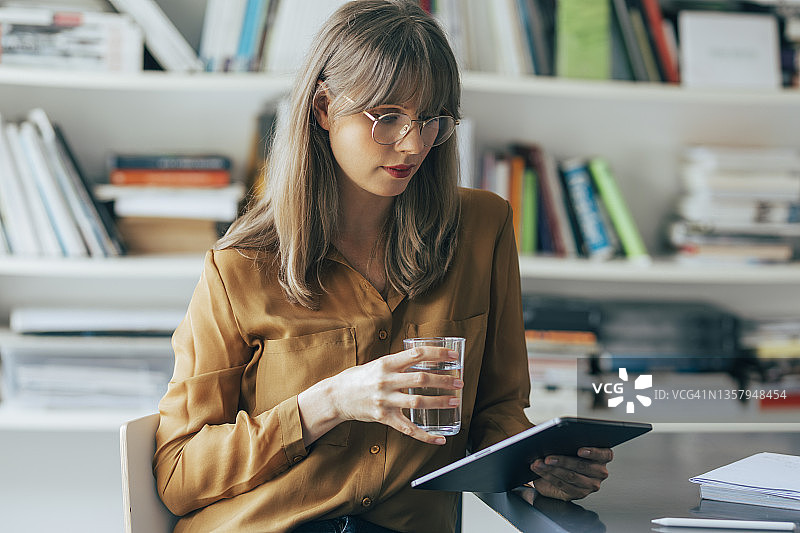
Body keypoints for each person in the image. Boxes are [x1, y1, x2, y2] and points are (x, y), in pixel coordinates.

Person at [153, 1, 613, 532]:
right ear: (324, 108)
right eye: (387, 117)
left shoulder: (482, 230)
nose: (414, 144)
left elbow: (498, 410)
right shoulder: (239, 267)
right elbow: (178, 474)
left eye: (432, 119)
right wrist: (328, 402)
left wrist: (536, 466)